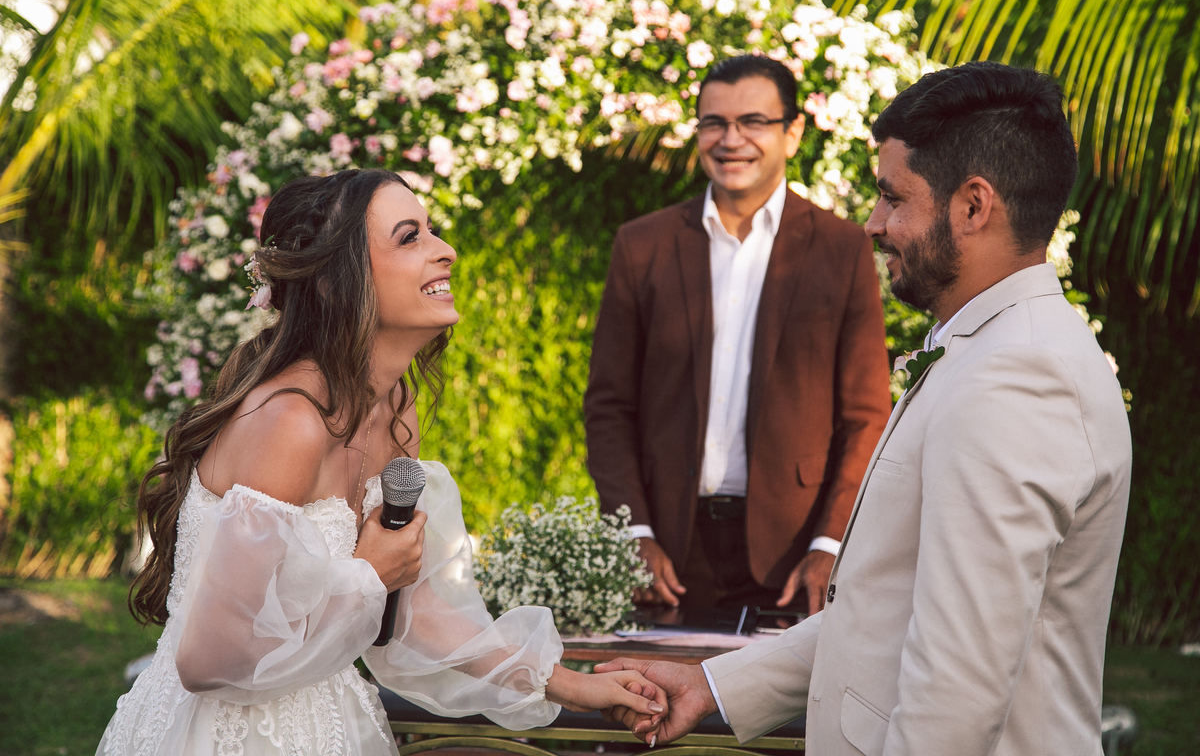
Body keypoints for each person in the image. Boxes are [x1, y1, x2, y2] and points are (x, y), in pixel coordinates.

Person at [599, 61, 1133, 755]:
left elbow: (956, 689)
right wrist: (714, 686)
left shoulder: (1015, 378)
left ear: (973, 206)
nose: (875, 223)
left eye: (893, 197)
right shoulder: (989, 348)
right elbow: (886, 610)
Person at [98, 169, 665, 756]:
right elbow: (209, 660)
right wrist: (367, 573)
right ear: (336, 284)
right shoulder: (290, 422)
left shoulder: (395, 408)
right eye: (409, 236)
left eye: (432, 231)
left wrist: (578, 685)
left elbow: (414, 615)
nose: (446, 251)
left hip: (333, 722)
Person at [584, 54, 891, 614]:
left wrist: (830, 544)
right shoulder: (643, 245)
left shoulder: (840, 248)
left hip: (794, 560)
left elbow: (866, 415)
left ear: (792, 132)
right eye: (714, 123)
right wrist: (633, 534)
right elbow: (609, 406)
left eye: (753, 122)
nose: (732, 140)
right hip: (669, 556)